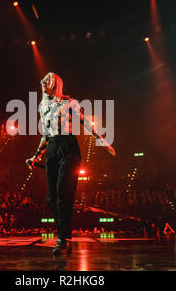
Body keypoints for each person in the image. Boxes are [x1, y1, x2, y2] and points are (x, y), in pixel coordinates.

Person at [26, 72, 116, 254]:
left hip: (68, 147)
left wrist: (102, 140)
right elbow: (46, 134)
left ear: (56, 83)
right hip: (52, 149)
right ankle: (64, 235)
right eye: (43, 79)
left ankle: (62, 239)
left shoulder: (70, 102)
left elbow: (85, 123)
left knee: (62, 195)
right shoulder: (42, 105)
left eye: (48, 79)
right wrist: (35, 156)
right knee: (51, 199)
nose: (43, 81)